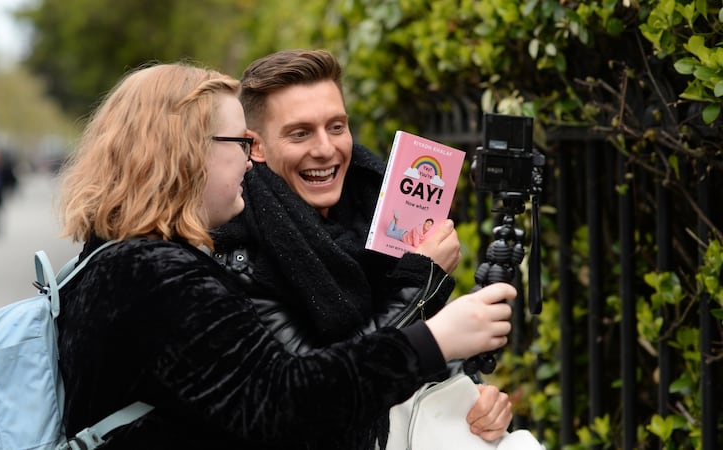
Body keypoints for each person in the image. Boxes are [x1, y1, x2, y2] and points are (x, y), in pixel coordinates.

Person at [54, 61, 515, 449]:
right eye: (239, 144)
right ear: (185, 154)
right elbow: (288, 402)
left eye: (338, 125)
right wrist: (432, 337)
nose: (248, 162)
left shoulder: (129, 262)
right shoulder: (156, 274)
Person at [211, 49, 512, 449]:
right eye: (300, 133)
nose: (325, 149)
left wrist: (476, 399)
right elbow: (320, 394)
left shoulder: (374, 207)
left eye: (336, 127)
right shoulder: (242, 250)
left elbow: (434, 354)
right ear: (257, 147)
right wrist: (419, 284)